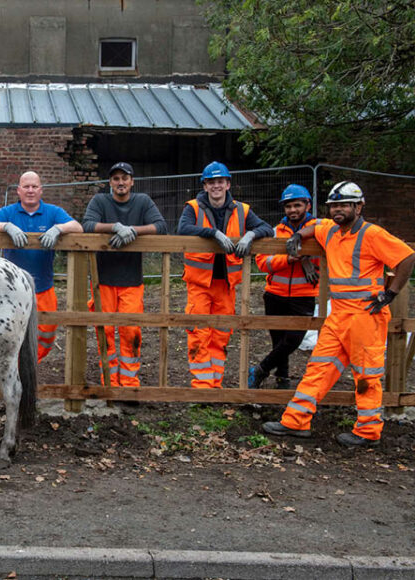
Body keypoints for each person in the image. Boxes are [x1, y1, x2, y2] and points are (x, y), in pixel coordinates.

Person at [263, 181, 415, 448]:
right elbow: (316, 226)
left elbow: (406, 257)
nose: (337, 210)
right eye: (334, 206)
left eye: (344, 205)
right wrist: (299, 235)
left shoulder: (372, 234)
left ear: (358, 206)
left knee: (367, 375)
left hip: (366, 316)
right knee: (318, 368)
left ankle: (368, 432)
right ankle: (295, 421)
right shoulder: (331, 230)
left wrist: (390, 293)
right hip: (339, 316)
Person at [177, 161, 273, 388]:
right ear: (205, 186)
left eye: (220, 181)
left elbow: (267, 228)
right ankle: (202, 387)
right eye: (211, 182)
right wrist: (213, 233)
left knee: (221, 333)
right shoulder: (193, 207)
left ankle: (215, 384)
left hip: (226, 284)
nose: (216, 186)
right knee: (199, 332)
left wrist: (251, 235)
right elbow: (183, 229)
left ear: (228, 184)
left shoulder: (242, 210)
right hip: (199, 283)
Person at [0, 171, 83, 362]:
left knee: (47, 334)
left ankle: (30, 364)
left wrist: (58, 228)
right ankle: (17, 370)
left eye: (34, 186)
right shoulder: (8, 212)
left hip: (43, 287)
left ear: (41, 190)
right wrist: (6, 227)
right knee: (12, 333)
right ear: (18, 190)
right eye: (26, 186)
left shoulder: (53, 212)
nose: (30, 190)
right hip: (12, 291)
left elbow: (77, 227)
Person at [82, 162, 167, 386]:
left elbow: (161, 226)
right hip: (103, 279)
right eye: (116, 179)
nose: (121, 182)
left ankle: (129, 384)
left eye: (125, 178)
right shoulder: (100, 201)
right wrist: (115, 227)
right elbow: (87, 225)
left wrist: (134, 231)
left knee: (130, 330)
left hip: (132, 279)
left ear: (132, 181)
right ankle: (109, 382)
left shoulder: (142, 201)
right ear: (110, 182)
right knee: (105, 330)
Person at [250, 184, 320, 389]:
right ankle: (283, 379)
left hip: (304, 294)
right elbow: (263, 263)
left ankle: (260, 369)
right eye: (288, 206)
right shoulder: (274, 232)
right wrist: (288, 259)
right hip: (275, 294)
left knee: (293, 340)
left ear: (307, 205)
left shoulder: (320, 229)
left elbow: (330, 233)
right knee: (278, 340)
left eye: (297, 205)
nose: (292, 210)